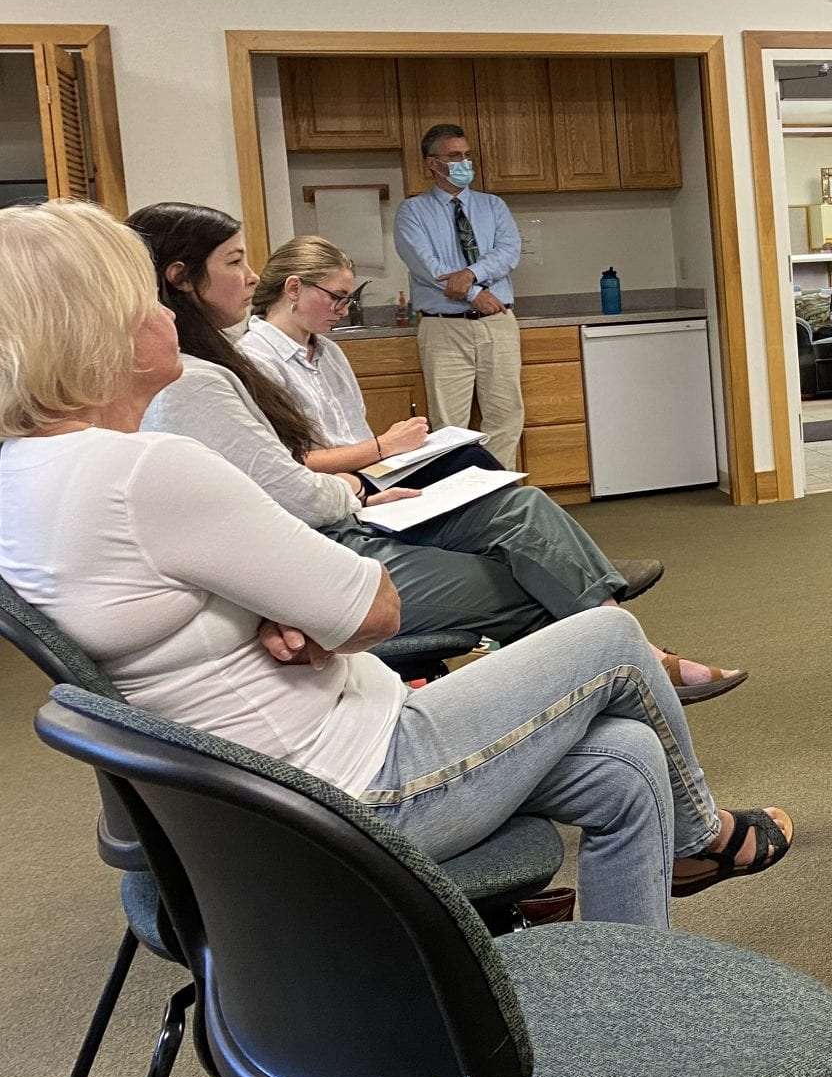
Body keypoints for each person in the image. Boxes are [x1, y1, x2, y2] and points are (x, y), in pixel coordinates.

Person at [0, 200, 791, 928]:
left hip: (264, 784)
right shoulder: (149, 470)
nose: (162, 312)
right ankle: (707, 835)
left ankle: (627, 1001)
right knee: (611, 643)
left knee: (626, 764)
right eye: (141, 298)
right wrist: (297, 604)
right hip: (345, 791)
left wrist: (271, 605)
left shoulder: (33, 473)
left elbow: (188, 598)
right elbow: (371, 610)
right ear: (90, 329)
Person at [131, 203, 743, 703]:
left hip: (354, 508)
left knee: (516, 505)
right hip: (329, 544)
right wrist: (361, 482)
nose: (248, 276)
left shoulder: (238, 362)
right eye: (235, 262)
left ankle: (609, 642)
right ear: (183, 277)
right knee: (531, 575)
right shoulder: (205, 376)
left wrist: (368, 481)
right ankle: (628, 658)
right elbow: (292, 486)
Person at [241, 234, 497, 487]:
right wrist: (385, 445)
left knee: (473, 461)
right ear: (294, 288)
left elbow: (354, 435)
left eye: (347, 300)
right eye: (336, 297)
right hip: (332, 485)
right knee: (474, 467)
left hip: (370, 469)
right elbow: (286, 462)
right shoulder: (255, 359)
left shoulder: (328, 351)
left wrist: (395, 447)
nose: (343, 310)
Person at [395, 124, 525, 466]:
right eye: (454, 156)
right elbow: (426, 265)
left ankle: (498, 496)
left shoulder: (493, 206)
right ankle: (461, 503)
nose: (464, 162)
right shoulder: (412, 212)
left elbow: (509, 251)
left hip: (497, 323)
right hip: (444, 328)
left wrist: (471, 277)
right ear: (432, 163)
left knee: (505, 415)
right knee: (449, 425)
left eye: (467, 155)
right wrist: (475, 294)